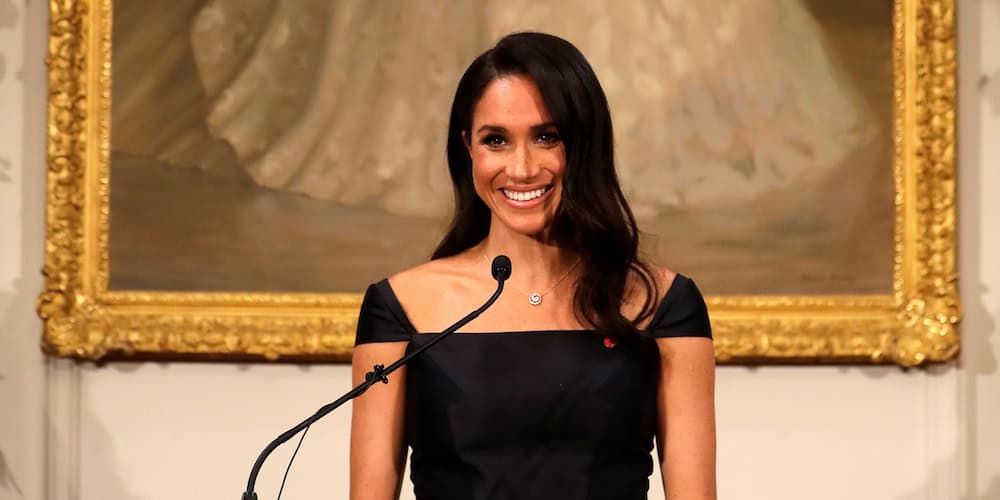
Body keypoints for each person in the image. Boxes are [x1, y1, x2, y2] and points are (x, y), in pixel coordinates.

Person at [350, 32, 716, 500]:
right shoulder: (399, 306)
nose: (521, 169)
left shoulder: (664, 304)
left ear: (586, 144)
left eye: (547, 137)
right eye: (496, 140)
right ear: (468, 148)